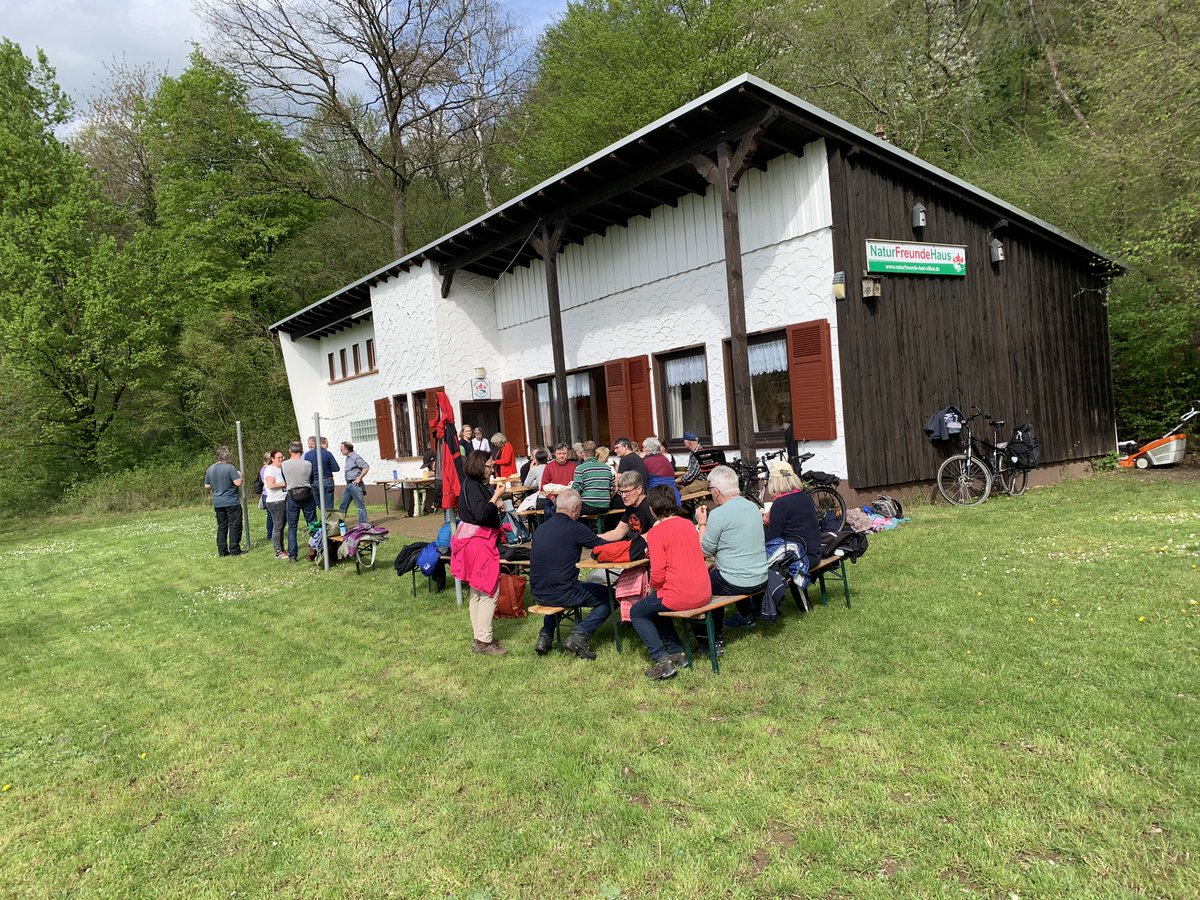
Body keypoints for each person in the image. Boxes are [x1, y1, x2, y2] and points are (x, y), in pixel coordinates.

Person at [630, 486, 712, 680]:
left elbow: (657, 573)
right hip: (703, 590)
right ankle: (677, 653)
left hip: (680, 594)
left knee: (638, 612)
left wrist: (652, 589)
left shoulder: (656, 534)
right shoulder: (686, 525)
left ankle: (661, 660)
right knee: (654, 607)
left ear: (652, 508)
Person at [529, 488, 612, 659]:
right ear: (575, 509)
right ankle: (580, 635)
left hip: (537, 592)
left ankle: (545, 636)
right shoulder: (576, 528)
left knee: (556, 586)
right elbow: (602, 546)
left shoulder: (540, 529)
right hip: (563, 592)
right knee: (610, 597)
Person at [695, 465, 769, 642]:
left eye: (710, 489)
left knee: (703, 585)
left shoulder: (719, 514)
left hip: (738, 580)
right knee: (722, 572)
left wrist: (702, 524)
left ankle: (712, 638)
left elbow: (703, 551)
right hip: (760, 576)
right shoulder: (752, 507)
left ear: (717, 491)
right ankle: (745, 616)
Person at [450, 450, 509, 656]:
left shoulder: (472, 485)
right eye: (488, 465)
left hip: (473, 542)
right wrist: (496, 496)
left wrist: (494, 503)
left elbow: (482, 510)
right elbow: (482, 513)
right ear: (478, 465)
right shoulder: (473, 486)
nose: (491, 469)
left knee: (477, 590)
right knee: (489, 590)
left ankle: (479, 637)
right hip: (479, 544)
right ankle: (484, 641)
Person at [763, 458, 822, 574]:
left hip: (799, 557)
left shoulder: (780, 503)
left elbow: (772, 539)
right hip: (814, 552)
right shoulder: (805, 497)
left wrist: (763, 524)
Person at [203, 446, 244, 557]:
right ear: (226, 456)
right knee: (234, 525)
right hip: (231, 501)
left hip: (218, 502)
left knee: (222, 526)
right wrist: (241, 476)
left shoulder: (210, 469)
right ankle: (235, 550)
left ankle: (222, 551)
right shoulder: (230, 468)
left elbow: (207, 486)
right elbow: (238, 483)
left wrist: (217, 486)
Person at [282, 441, 317, 562]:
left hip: (292, 497)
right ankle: (314, 552)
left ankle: (292, 556)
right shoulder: (308, 464)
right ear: (301, 451)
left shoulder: (284, 464)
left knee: (292, 527)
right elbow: (311, 479)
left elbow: (285, 479)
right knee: (312, 525)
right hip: (307, 495)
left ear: (290, 451)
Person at [598, 471, 655, 541]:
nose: (623, 496)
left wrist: (638, 542)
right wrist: (593, 538)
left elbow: (659, 529)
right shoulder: (631, 506)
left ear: (639, 489)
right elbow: (618, 532)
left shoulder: (649, 505)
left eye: (627, 492)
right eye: (621, 492)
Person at [570, 441, 614, 515]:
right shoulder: (607, 468)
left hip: (588, 505)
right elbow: (612, 488)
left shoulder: (580, 468)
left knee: (559, 508)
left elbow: (576, 489)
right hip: (605, 506)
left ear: (583, 453)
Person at [261, 450, 288, 558]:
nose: (281, 459)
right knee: (278, 526)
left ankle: (282, 549)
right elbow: (270, 485)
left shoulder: (280, 468)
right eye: (278, 458)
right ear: (272, 458)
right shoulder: (270, 469)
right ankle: (278, 551)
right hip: (275, 501)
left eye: (282, 457)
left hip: (282, 499)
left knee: (281, 526)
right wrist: (284, 484)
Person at [304, 436, 340, 513]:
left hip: (315, 481)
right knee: (329, 503)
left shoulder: (307, 455)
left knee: (319, 503)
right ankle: (329, 521)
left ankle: (324, 518)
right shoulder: (327, 453)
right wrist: (327, 469)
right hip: (327, 480)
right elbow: (336, 468)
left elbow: (306, 470)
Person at [338, 441, 371, 524]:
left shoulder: (355, 457)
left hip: (355, 485)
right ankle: (339, 525)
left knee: (360, 506)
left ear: (347, 449)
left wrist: (359, 478)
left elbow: (366, 467)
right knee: (343, 505)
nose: (340, 450)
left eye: (341, 449)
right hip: (349, 485)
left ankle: (363, 525)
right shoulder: (348, 458)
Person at [641, 436, 681, 504]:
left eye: (643, 447)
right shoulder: (665, 459)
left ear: (648, 449)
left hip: (658, 496)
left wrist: (640, 459)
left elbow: (642, 479)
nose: (642, 449)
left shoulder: (646, 461)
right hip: (673, 495)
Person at [258, 451, 273, 542]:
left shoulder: (264, 468)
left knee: (270, 515)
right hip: (268, 494)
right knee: (271, 515)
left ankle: (271, 534)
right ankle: (270, 534)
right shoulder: (266, 469)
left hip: (266, 494)